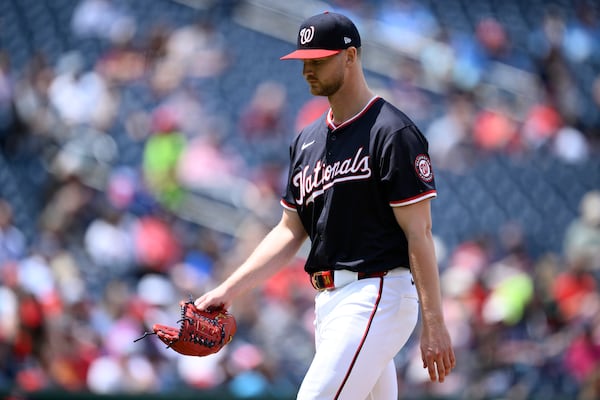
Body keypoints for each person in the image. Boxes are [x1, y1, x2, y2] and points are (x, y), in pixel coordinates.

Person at [195, 11, 455, 399]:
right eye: (304, 61)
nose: (308, 70)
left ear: (350, 56)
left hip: (376, 294)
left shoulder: (392, 131)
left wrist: (434, 322)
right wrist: (230, 289)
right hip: (329, 305)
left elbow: (419, 232)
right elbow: (288, 230)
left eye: (318, 59)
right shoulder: (306, 140)